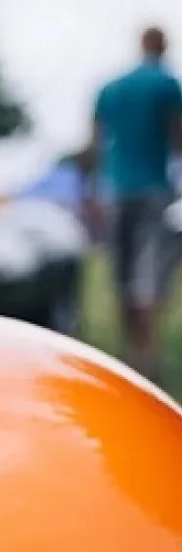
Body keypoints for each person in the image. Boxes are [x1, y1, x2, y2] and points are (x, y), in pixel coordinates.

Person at [89, 26, 182, 380]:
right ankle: (148, 361)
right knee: (149, 279)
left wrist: (95, 188)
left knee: (122, 276)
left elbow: (95, 140)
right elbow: (178, 137)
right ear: (162, 46)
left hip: (116, 191)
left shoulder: (112, 88)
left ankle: (126, 358)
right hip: (154, 190)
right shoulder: (167, 84)